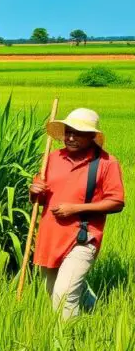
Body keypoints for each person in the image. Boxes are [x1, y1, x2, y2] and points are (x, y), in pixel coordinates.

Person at [30, 108, 125, 319]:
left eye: (78, 133)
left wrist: (75, 209)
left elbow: (117, 202)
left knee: (64, 295)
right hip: (50, 235)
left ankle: (66, 343)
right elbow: (41, 199)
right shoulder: (51, 158)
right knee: (54, 289)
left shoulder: (106, 163)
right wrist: (34, 191)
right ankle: (96, 317)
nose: (71, 137)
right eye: (68, 131)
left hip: (82, 236)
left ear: (92, 136)